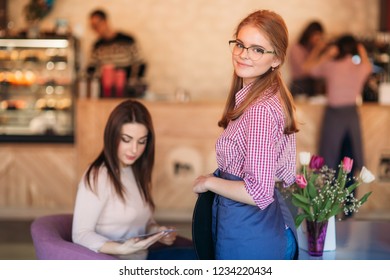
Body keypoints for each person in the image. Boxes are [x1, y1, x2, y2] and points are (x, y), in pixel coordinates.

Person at [192, 10, 299, 260]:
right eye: (240, 44)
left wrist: (208, 182)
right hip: (259, 226)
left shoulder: (260, 110)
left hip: (253, 234)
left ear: (276, 59)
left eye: (257, 49)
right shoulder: (265, 96)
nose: (243, 54)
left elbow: (258, 192)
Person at [72, 99, 196, 260]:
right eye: (126, 139)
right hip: (118, 262)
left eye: (141, 141)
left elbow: (142, 223)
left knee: (204, 255)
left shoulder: (135, 170)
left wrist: (158, 231)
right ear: (112, 136)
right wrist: (121, 249)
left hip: (142, 256)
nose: (134, 149)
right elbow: (80, 234)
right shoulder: (97, 176)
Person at [308, 34, 372, 216]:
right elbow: (368, 66)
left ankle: (329, 209)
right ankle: (349, 211)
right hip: (351, 118)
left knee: (330, 164)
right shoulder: (359, 67)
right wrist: (361, 51)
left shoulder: (330, 65)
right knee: (349, 165)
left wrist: (325, 53)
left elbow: (311, 70)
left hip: (333, 117)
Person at [86, 9, 146, 82]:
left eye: (97, 25)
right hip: (106, 86)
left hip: (125, 85)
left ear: (105, 21)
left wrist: (134, 81)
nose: (96, 29)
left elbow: (141, 63)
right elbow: (91, 68)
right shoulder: (97, 45)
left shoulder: (127, 40)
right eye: (93, 27)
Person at [288, 21, 326, 97]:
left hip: (313, 85)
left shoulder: (313, 49)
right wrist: (317, 50)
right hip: (299, 85)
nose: (317, 39)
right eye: (316, 35)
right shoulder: (297, 48)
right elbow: (304, 69)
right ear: (309, 34)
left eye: (320, 36)